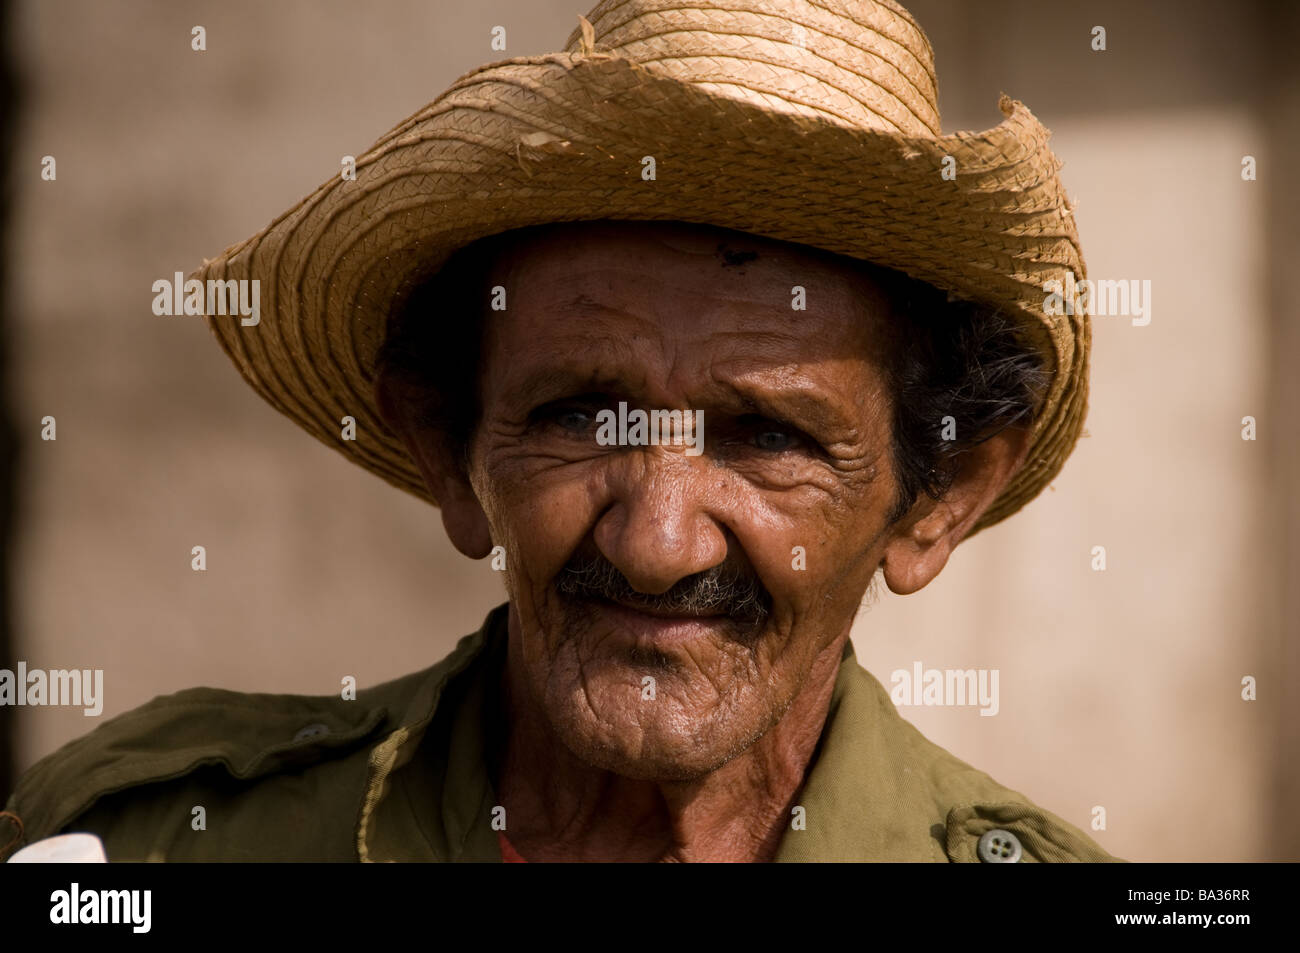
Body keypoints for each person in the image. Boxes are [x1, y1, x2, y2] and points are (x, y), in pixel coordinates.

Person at [1, 0, 1115, 863]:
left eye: (767, 435)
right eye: (582, 413)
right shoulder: (145, 851)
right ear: (449, 447)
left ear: (936, 498)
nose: (657, 541)